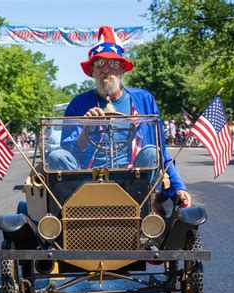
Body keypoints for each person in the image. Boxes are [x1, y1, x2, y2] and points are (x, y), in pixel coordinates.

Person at [47, 26, 191, 208]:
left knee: (152, 153)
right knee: (56, 156)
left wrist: (179, 186)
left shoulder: (143, 100)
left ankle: (141, 209)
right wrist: (86, 128)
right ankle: (75, 209)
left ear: (122, 69)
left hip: (134, 179)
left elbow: (161, 151)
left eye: (113, 63)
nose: (106, 69)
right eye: (99, 63)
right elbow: (68, 151)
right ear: (92, 70)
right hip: (86, 180)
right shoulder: (79, 104)